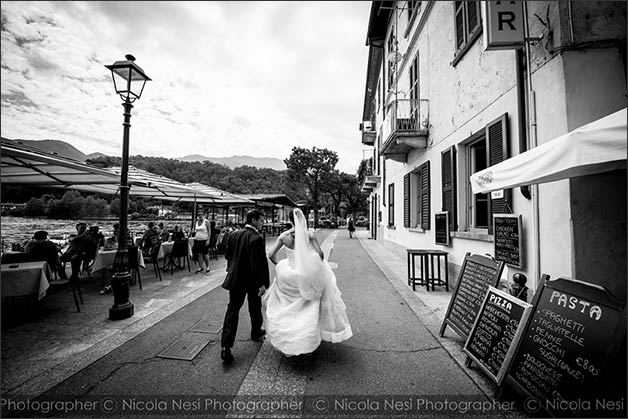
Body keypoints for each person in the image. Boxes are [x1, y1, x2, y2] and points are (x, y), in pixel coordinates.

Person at [263, 208, 352, 356]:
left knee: (286, 305)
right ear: (302, 219)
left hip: (288, 275)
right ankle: (308, 337)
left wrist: (280, 265)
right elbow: (320, 254)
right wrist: (312, 263)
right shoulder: (308, 234)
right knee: (309, 305)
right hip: (305, 275)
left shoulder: (284, 236)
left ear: (290, 219)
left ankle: (288, 335)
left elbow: (271, 255)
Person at [220, 209, 269, 364]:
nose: (263, 223)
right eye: (261, 220)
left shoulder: (233, 235)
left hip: (235, 279)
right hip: (251, 280)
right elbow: (257, 265)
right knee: (254, 306)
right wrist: (261, 284)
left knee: (232, 310)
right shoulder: (257, 238)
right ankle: (256, 331)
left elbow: (228, 256)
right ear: (253, 220)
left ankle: (226, 346)